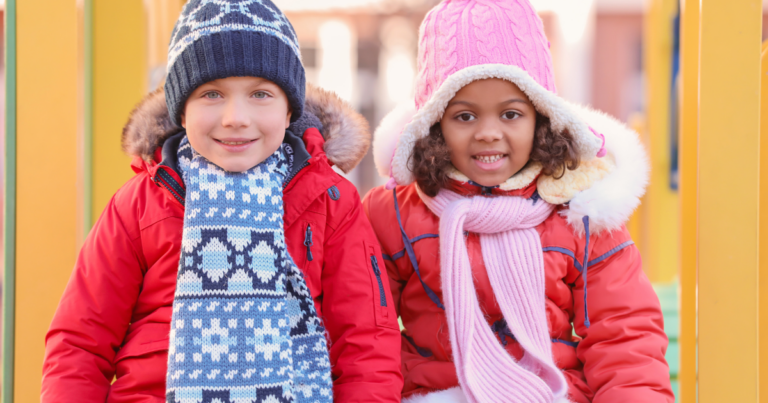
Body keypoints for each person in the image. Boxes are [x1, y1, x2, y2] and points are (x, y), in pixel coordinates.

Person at [41, 1, 402, 402]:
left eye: (260, 94)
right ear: (181, 111)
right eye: (211, 93)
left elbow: (366, 343)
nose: (235, 117)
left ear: (289, 112)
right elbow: (80, 341)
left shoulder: (330, 201)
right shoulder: (141, 204)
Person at [363, 0, 674, 402]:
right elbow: (369, 329)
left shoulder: (579, 211)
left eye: (510, 114)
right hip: (439, 391)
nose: (488, 133)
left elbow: (623, 332)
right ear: (434, 125)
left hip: (548, 392)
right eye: (464, 116)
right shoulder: (397, 214)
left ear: (541, 119)